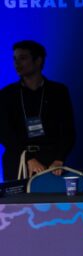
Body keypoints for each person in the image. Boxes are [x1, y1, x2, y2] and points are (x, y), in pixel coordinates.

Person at [0, 40, 75, 181]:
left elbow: (68, 130)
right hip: (19, 160)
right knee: (17, 202)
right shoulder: (6, 94)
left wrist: (59, 159)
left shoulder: (58, 91)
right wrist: (29, 158)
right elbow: (4, 133)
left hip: (52, 162)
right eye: (15, 59)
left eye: (23, 58)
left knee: (52, 201)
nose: (17, 63)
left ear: (38, 60)